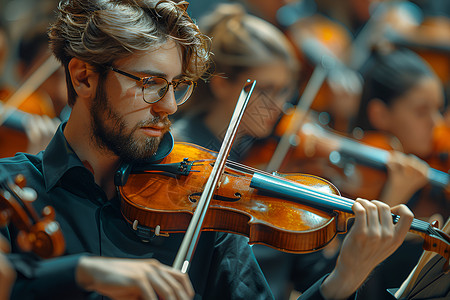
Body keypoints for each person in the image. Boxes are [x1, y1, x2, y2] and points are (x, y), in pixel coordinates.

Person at [1, 1, 414, 299]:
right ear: (84, 77)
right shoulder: (10, 190)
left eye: (176, 86)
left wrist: (342, 280)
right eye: (148, 83)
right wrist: (83, 273)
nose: (166, 106)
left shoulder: (203, 199)